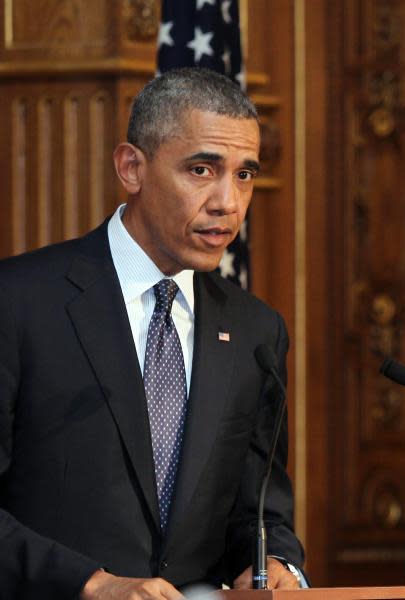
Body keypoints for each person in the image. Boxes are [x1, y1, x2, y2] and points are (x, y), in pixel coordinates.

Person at [0, 67, 305, 599]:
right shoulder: (19, 302)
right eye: (202, 169)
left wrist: (275, 560)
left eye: (244, 175)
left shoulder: (256, 330)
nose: (228, 204)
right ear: (132, 167)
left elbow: (259, 511)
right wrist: (91, 584)